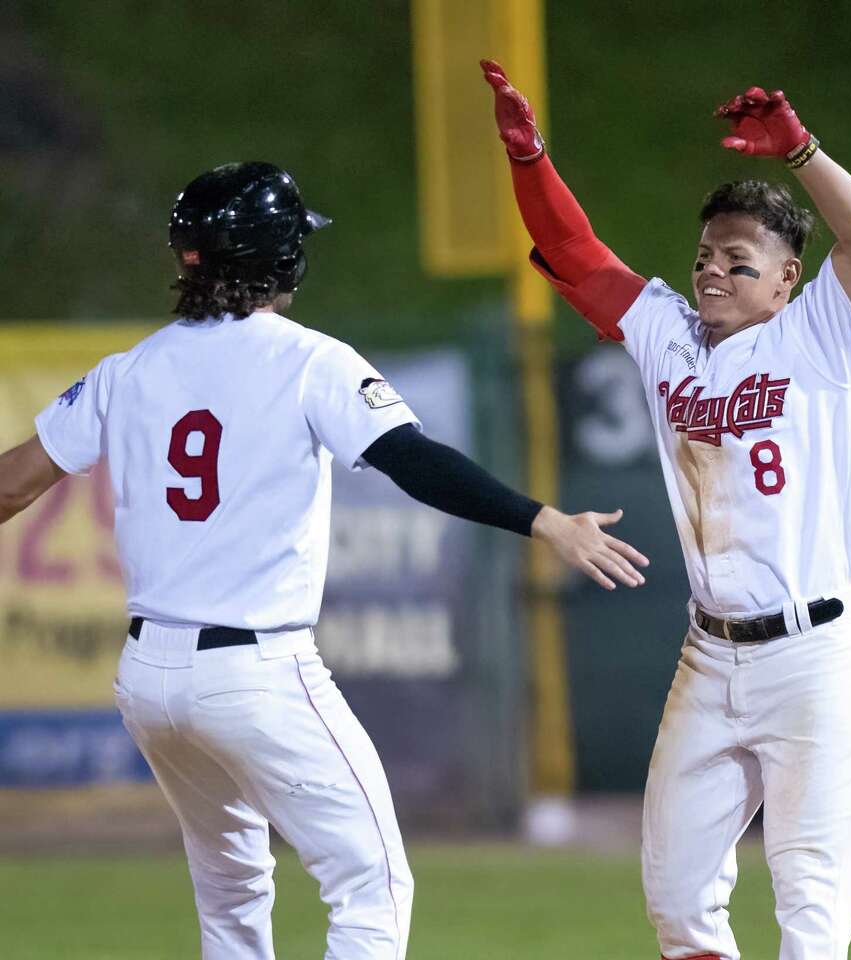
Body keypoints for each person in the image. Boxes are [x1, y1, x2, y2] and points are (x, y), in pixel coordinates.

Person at [0, 160, 649, 960]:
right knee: (371, 884)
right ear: (284, 259)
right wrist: (544, 519)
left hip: (148, 678)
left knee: (232, 890)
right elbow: (414, 462)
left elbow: (10, 486)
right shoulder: (310, 359)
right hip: (254, 672)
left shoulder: (126, 372)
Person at [482, 61, 851, 960]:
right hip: (710, 656)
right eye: (706, 255)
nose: (713, 271)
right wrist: (529, 157)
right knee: (677, 904)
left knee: (811, 922)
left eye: (739, 262)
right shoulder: (668, 332)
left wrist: (803, 151)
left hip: (817, 657)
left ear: (786, 280)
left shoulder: (816, 335)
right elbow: (580, 255)